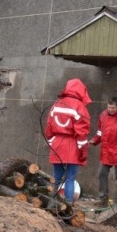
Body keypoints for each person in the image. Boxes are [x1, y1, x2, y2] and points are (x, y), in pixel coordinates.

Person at [44, 78, 92, 206]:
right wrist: (83, 151)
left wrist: (52, 143)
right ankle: (68, 204)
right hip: (73, 146)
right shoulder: (80, 107)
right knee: (70, 179)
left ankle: (53, 203)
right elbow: (81, 132)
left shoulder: (57, 104)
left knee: (57, 179)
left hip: (57, 145)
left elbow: (48, 128)